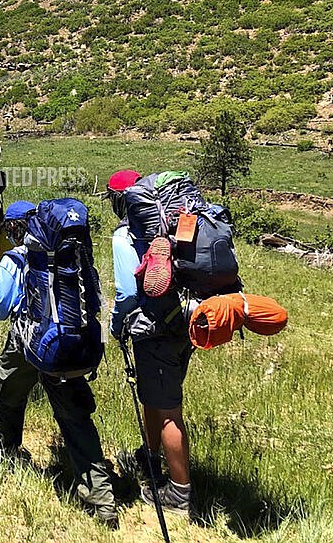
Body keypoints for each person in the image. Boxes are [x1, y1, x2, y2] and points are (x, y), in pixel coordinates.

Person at [0, 201, 118, 529]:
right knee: (74, 418)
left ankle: (3, 449)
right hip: (69, 340)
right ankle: (102, 497)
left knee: (2, 382)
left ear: (13, 228)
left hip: (29, 340)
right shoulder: (66, 257)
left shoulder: (15, 259)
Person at [106, 169, 193, 517]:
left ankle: (179, 493)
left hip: (152, 327)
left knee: (169, 409)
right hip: (184, 319)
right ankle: (150, 453)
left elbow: (127, 293)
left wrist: (115, 325)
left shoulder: (125, 236)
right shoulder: (173, 225)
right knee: (154, 395)